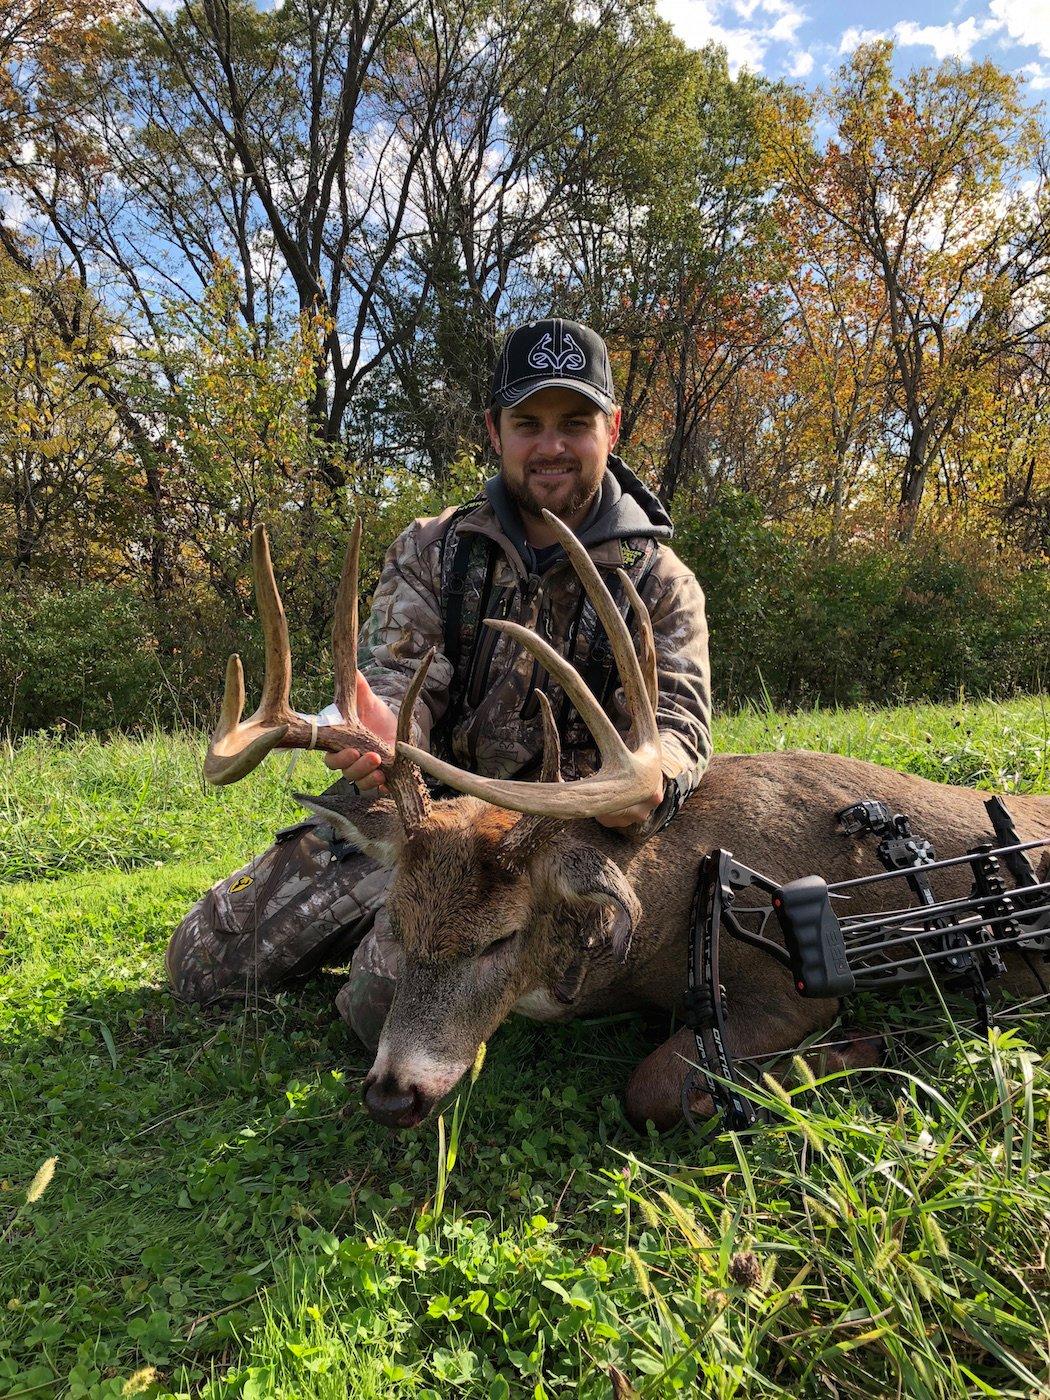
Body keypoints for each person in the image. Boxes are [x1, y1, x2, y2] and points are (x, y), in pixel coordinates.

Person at [166, 317, 713, 1050]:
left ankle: (409, 940)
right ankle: (390, 909)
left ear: (611, 428)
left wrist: (654, 779)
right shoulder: (435, 549)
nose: (551, 445)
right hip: (423, 821)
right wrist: (386, 733)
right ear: (494, 430)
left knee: (387, 1000)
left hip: (542, 848)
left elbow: (682, 730)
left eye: (574, 422)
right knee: (203, 962)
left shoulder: (660, 582)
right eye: (529, 423)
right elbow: (394, 678)